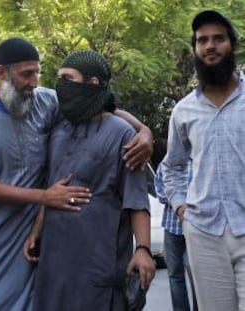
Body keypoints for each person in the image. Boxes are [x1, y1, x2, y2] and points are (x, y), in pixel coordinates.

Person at [0, 38, 153, 310]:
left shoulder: (45, 102)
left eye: (36, 73)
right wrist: (46, 198)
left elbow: (99, 105)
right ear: (1, 73)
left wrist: (143, 131)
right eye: (26, 74)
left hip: (25, 250)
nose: (34, 82)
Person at [23, 50, 155, 310]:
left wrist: (144, 249)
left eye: (68, 78)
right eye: (59, 77)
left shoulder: (123, 135)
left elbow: (136, 200)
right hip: (54, 263)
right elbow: (51, 185)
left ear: (92, 83)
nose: (60, 84)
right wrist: (37, 229)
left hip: (99, 263)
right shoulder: (58, 128)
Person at [162, 10, 245, 310]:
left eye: (218, 39)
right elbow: (172, 167)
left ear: (232, 45)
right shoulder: (184, 111)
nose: (210, 46)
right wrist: (182, 207)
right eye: (202, 41)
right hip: (203, 232)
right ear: (195, 49)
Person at [155, 161, 197, 311]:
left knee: (196, 275)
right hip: (172, 227)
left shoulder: (198, 160)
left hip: (195, 228)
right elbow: (159, 190)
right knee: (174, 274)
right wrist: (177, 203)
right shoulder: (167, 162)